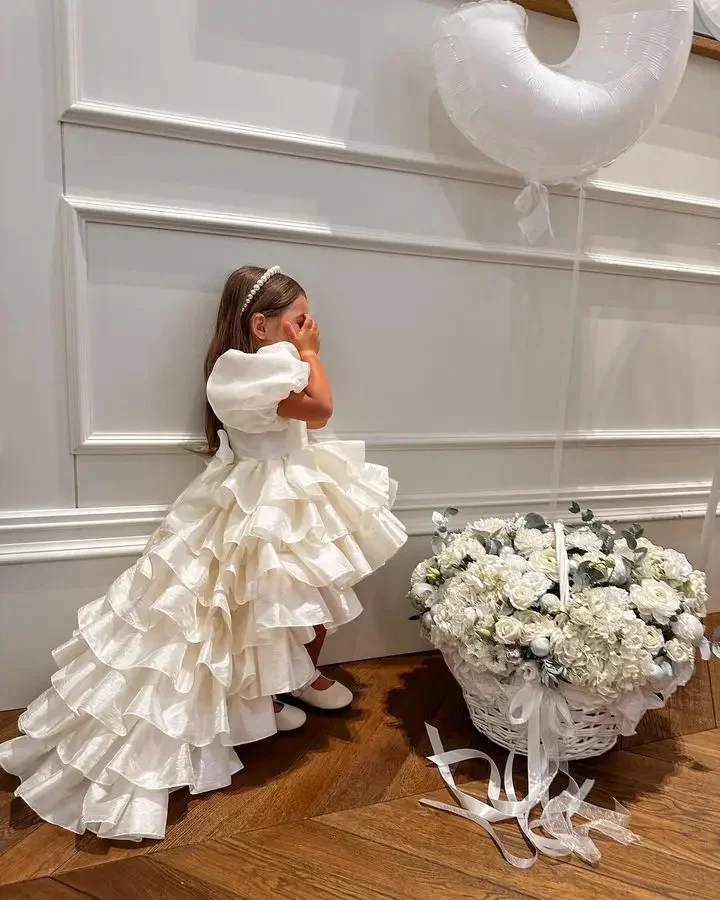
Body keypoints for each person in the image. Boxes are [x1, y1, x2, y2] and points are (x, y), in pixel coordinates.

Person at [0, 265, 407, 841]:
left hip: (293, 489)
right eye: (297, 321)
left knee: (300, 598)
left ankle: (289, 680)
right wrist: (312, 354)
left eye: (308, 323)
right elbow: (319, 409)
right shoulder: (245, 373)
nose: (306, 330)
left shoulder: (265, 364)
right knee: (246, 607)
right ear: (260, 325)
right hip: (264, 496)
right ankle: (265, 695)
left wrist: (301, 352)